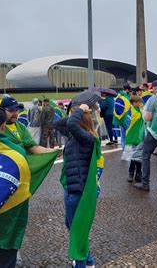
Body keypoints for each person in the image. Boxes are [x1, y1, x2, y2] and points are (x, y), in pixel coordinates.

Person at [0, 107, 59, 267]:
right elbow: (25, 184)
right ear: (3, 127)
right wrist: (52, 153)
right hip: (8, 218)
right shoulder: (18, 153)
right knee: (6, 261)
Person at [53, 102, 102, 268]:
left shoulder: (86, 137)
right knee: (72, 225)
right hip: (72, 187)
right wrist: (76, 112)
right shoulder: (77, 135)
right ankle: (88, 260)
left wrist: (80, 111)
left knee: (77, 229)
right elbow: (58, 123)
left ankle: (82, 263)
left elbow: (71, 124)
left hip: (77, 190)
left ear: (81, 120)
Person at [123, 95, 145, 183]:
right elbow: (127, 123)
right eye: (138, 102)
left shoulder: (141, 109)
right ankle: (131, 173)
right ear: (133, 103)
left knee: (139, 155)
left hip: (139, 135)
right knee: (133, 155)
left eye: (140, 102)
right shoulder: (130, 110)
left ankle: (138, 173)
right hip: (131, 136)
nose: (140, 103)